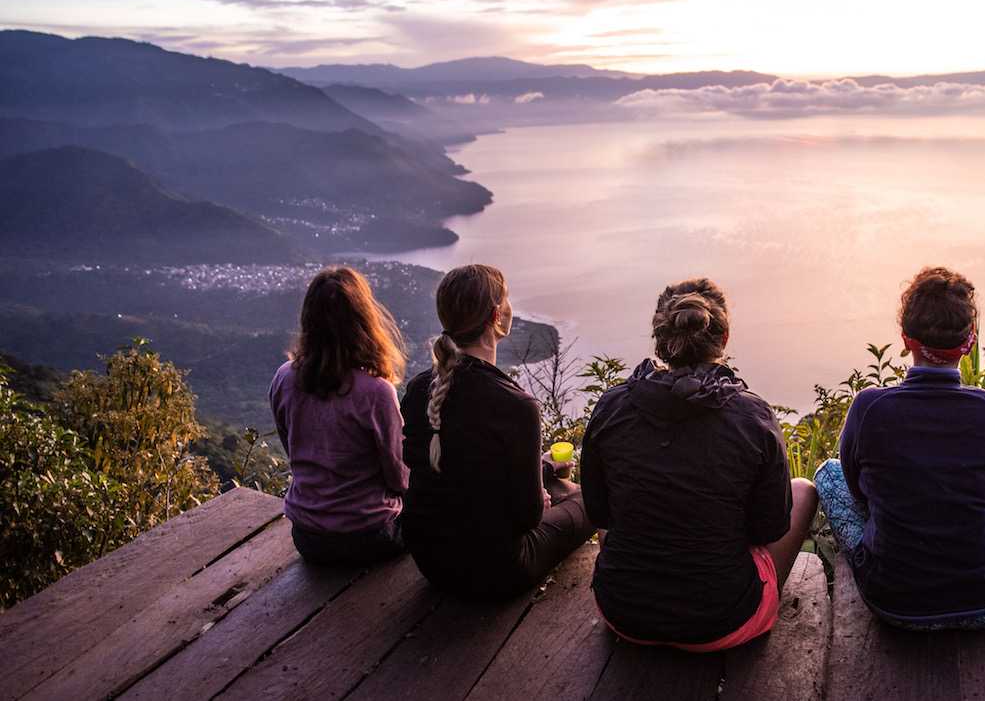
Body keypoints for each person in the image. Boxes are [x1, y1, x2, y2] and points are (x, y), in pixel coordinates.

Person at [580, 278, 818, 651]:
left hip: (623, 611)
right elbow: (769, 528)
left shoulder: (612, 407)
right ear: (723, 340)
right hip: (722, 620)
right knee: (804, 490)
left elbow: (598, 512)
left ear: (659, 339)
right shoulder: (751, 416)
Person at [815, 266, 985, 630]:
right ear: (969, 342)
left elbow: (854, 488)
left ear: (905, 339)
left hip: (895, 603)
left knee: (827, 473)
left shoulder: (870, 408)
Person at [399, 264, 594, 598]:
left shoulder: (419, 390)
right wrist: (541, 492)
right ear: (496, 316)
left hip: (431, 560)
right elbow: (527, 518)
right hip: (496, 570)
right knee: (589, 499)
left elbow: (457, 469)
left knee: (556, 481)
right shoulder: (516, 406)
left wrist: (541, 468)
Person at [270, 266, 409, 565]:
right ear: (363, 320)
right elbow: (398, 476)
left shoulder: (283, 379)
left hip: (307, 537)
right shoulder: (376, 392)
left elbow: (291, 447)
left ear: (309, 320)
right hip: (371, 535)